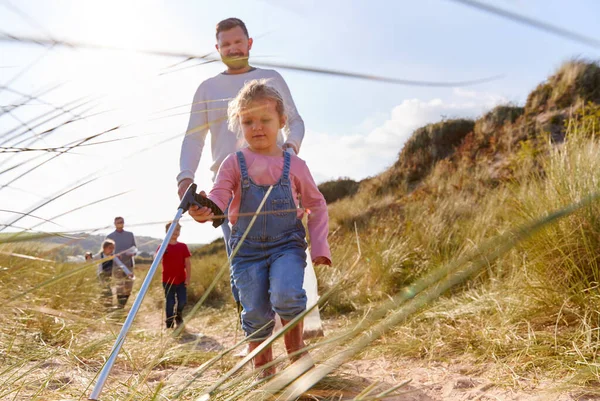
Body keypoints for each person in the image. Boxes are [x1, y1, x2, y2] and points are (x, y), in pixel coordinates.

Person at [191, 80, 331, 377]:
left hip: (286, 246)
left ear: (282, 121)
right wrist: (205, 209)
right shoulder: (232, 163)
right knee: (254, 311)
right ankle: (263, 365)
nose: (256, 127)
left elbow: (316, 205)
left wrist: (319, 246)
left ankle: (296, 352)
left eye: (265, 120)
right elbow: (219, 196)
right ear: (238, 125)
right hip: (247, 250)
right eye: (248, 121)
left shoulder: (295, 166)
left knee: (288, 295)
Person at [158, 221, 192, 329]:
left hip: (181, 279)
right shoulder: (163, 246)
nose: (175, 232)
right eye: (172, 229)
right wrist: (159, 253)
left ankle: (178, 316)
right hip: (167, 280)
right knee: (170, 302)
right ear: (167, 231)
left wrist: (188, 278)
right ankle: (169, 324)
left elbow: (187, 263)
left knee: (182, 301)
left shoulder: (183, 246)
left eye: (177, 229)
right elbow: (156, 259)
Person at [106, 216, 137, 308]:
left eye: (121, 222)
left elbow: (134, 248)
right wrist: (114, 255)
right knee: (119, 287)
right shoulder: (110, 237)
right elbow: (107, 252)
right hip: (116, 265)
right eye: (118, 222)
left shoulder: (130, 235)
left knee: (128, 287)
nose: (120, 224)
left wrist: (133, 253)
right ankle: (120, 306)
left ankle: (122, 305)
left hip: (129, 264)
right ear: (115, 224)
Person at [96, 239, 134, 309]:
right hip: (100, 276)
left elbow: (121, 264)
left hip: (108, 277)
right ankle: (105, 307)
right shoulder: (99, 256)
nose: (112, 250)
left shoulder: (113, 256)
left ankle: (105, 307)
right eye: (110, 248)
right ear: (104, 248)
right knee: (107, 292)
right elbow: (90, 260)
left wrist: (128, 273)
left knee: (106, 292)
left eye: (113, 248)